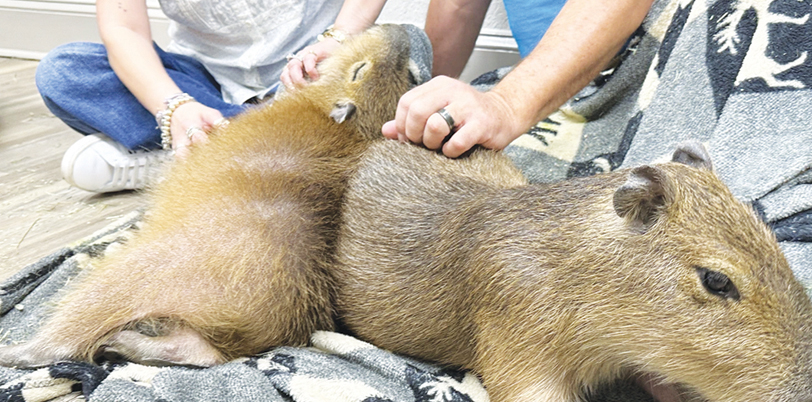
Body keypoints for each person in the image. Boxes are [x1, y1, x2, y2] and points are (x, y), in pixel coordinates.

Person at [35, 0, 386, 193]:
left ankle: (186, 158)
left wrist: (337, 38)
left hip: (318, 72)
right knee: (64, 71)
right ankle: (270, 144)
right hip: (208, 86)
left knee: (399, 51)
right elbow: (123, 29)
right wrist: (175, 108)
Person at [384, 0, 655, 158]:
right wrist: (424, 114)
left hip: (654, 66)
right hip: (550, 91)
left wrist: (507, 105)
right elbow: (459, 6)